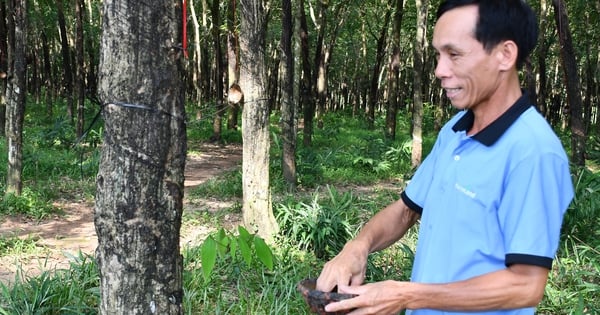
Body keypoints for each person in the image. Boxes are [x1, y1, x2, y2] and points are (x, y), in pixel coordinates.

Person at [315, 1, 574, 314]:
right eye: (438, 55)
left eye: (454, 54)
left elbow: (526, 285)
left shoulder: (534, 152)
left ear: (505, 54)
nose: (439, 70)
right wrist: (358, 246)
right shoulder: (454, 131)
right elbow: (406, 210)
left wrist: (407, 295)